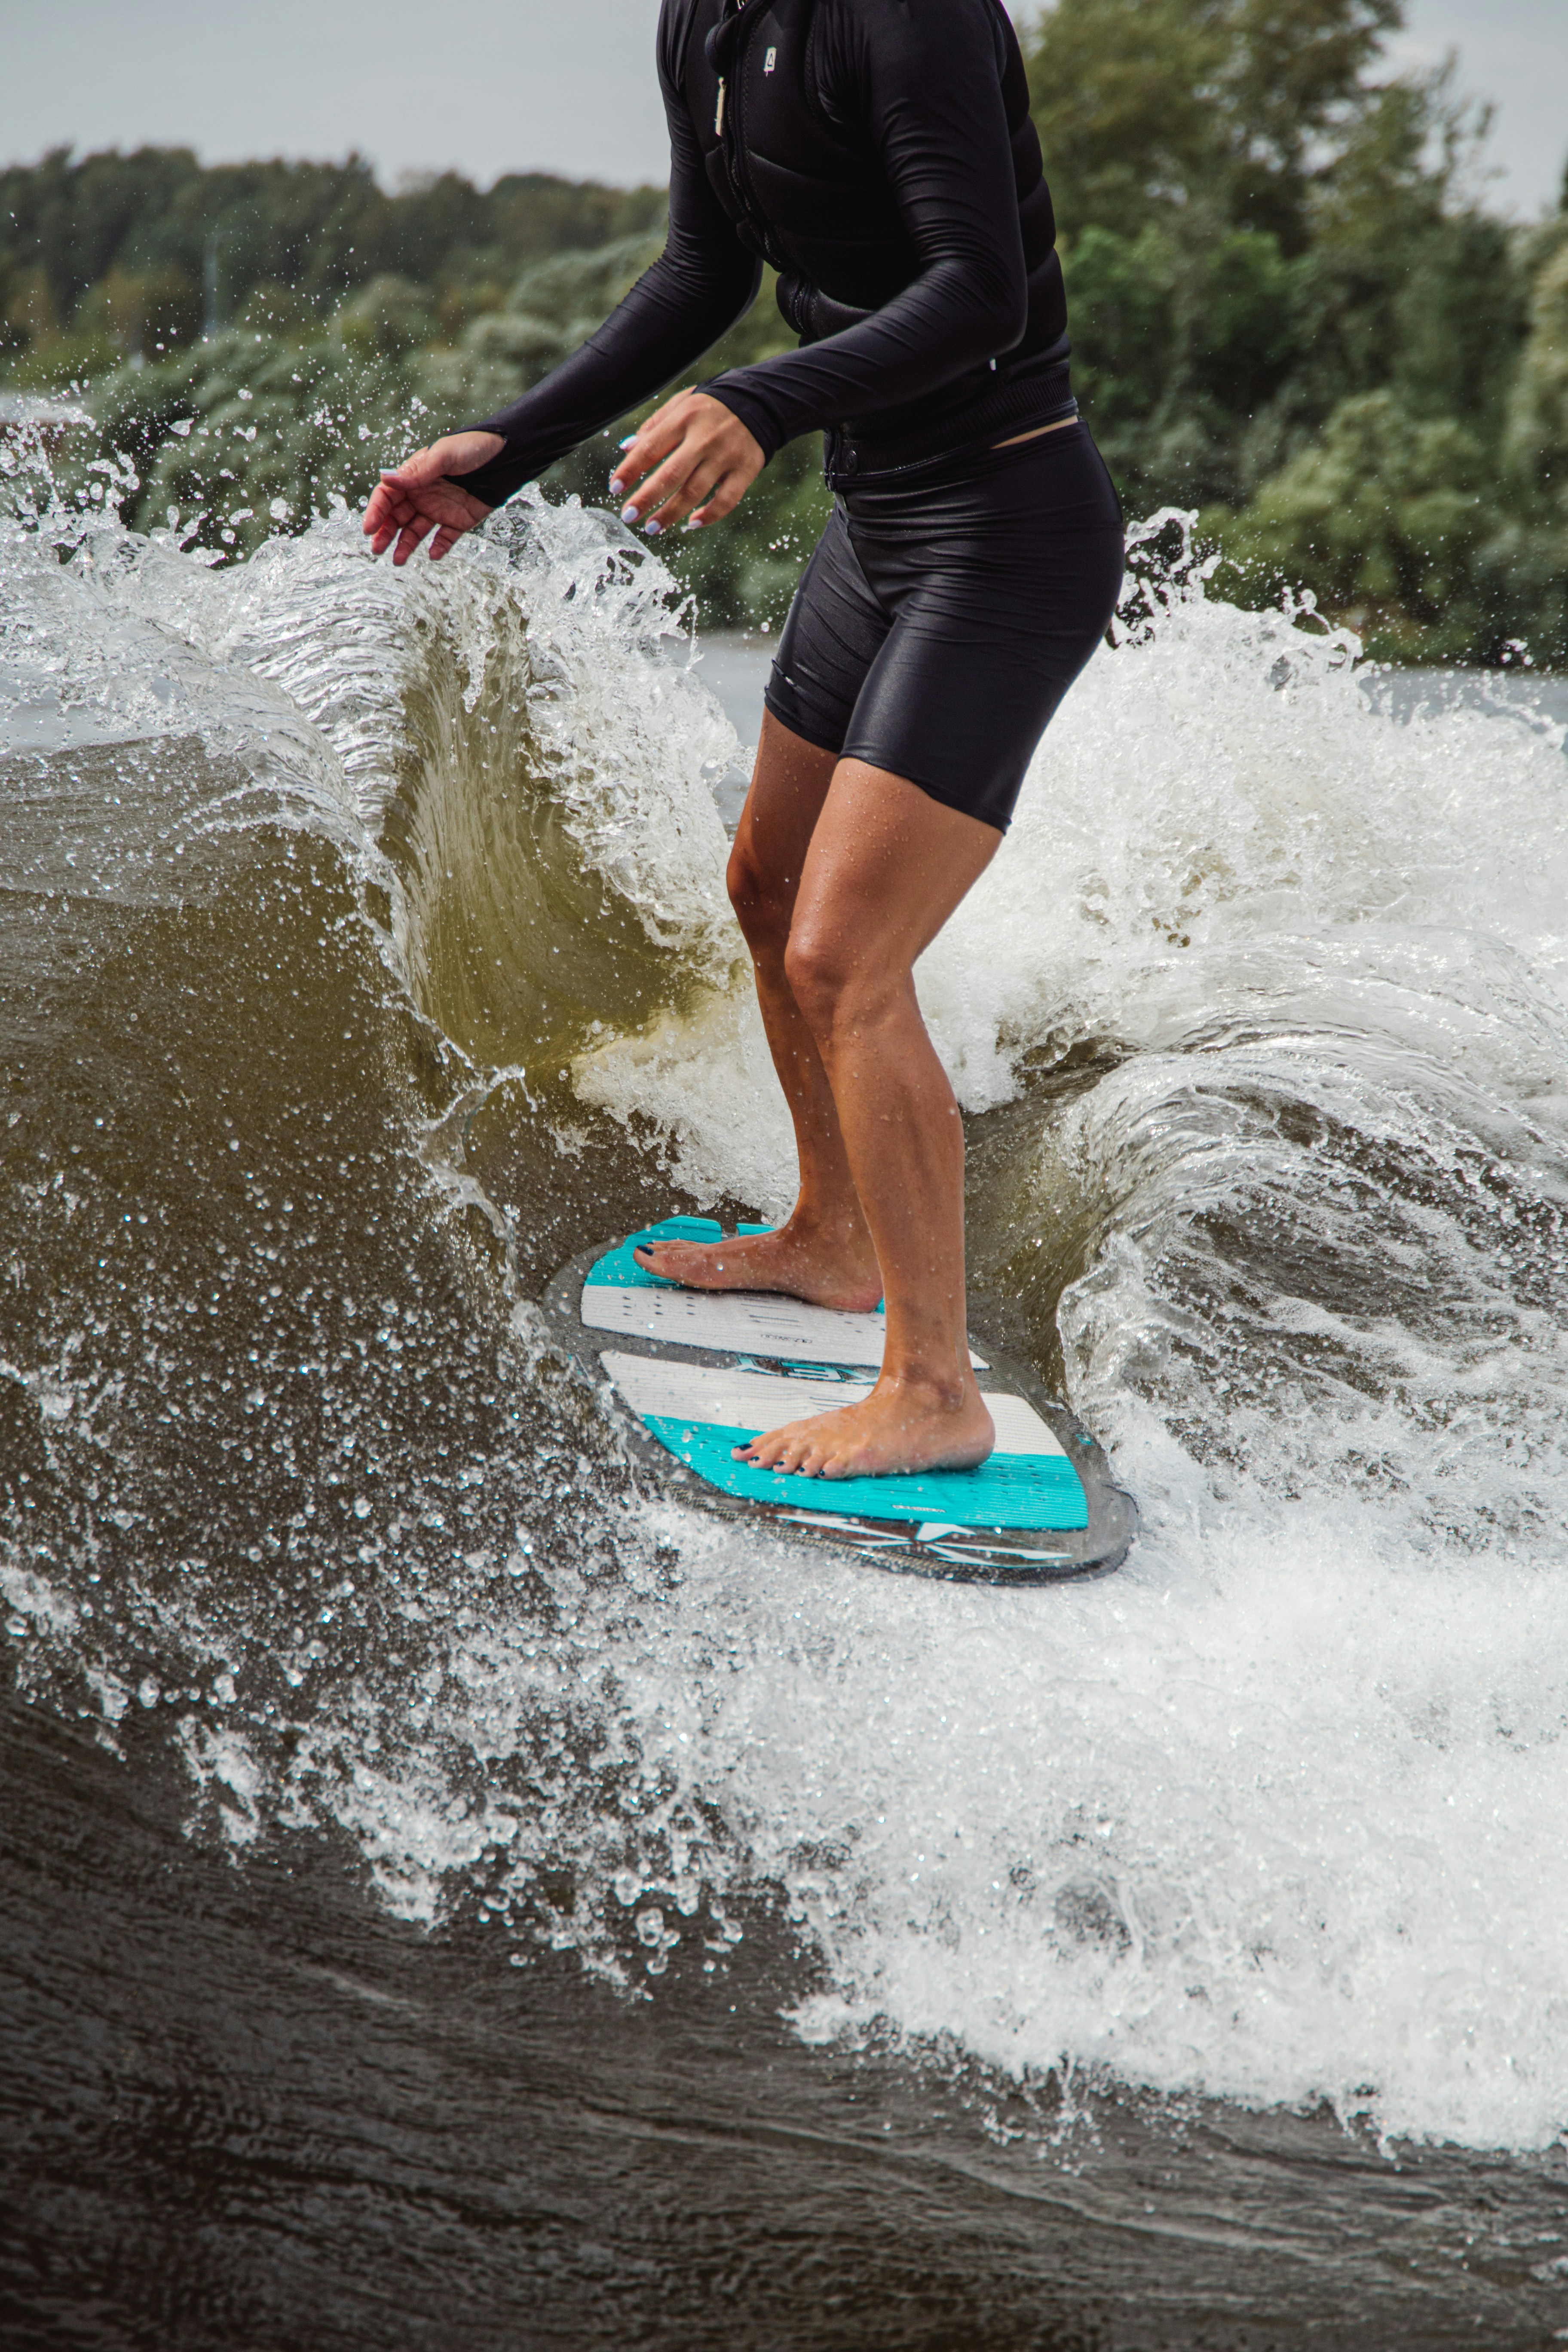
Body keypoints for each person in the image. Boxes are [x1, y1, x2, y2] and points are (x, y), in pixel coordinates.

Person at [363, 0, 1125, 1484]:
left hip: (1011, 530)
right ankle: (833, 1238)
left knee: (847, 956)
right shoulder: (705, 18)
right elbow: (705, 265)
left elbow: (984, 294)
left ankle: (929, 1387)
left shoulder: (903, 17)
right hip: (882, 522)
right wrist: (506, 456)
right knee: (766, 889)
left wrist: (759, 404)